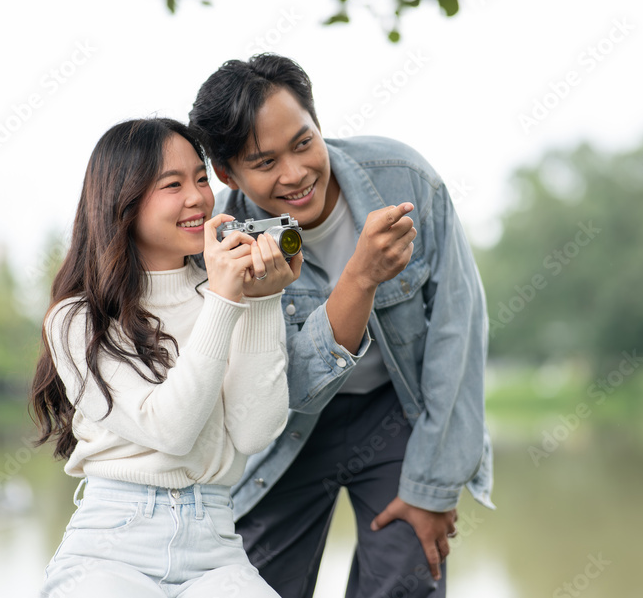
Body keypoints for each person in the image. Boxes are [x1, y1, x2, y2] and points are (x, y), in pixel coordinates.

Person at [189, 54, 494, 598]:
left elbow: (459, 328)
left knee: (406, 578)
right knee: (250, 586)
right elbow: (289, 391)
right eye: (265, 162)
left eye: (303, 143)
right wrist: (360, 276)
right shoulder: (222, 247)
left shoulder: (405, 179)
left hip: (396, 411)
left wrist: (433, 486)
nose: (295, 174)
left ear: (318, 124)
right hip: (284, 430)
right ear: (228, 174)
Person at [30, 117, 302, 597]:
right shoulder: (78, 319)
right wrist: (224, 299)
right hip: (111, 546)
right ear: (123, 200)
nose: (197, 198)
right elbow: (170, 431)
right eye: (172, 185)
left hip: (215, 545)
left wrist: (262, 300)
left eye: (201, 178)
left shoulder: (227, 294)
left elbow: (254, 432)